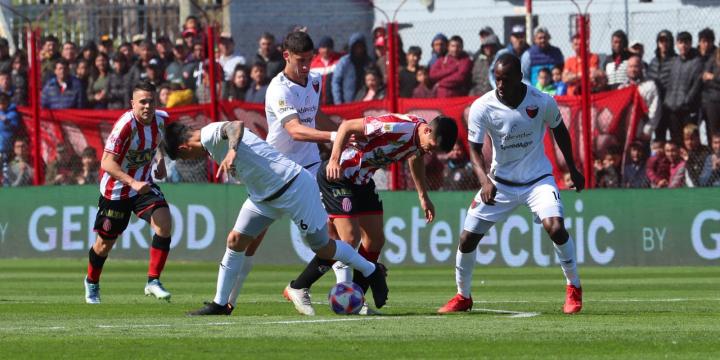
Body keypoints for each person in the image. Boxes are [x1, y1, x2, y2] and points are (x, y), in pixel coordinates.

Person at [163, 120, 388, 315]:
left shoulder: (210, 134)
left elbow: (235, 126)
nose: (192, 160)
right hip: (262, 198)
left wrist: (232, 150)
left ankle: (371, 270)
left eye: (186, 157)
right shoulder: (209, 144)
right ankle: (220, 304)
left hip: (293, 188)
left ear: (183, 149)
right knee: (235, 240)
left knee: (322, 247)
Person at [437, 53, 585, 315]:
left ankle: (573, 287)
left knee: (556, 227)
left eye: (506, 79)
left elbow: (559, 129)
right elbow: (473, 149)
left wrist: (573, 168)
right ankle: (463, 296)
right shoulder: (482, 106)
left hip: (538, 180)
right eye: (497, 79)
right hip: (500, 182)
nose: (501, 84)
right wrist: (484, 180)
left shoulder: (541, 101)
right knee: (466, 238)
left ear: (519, 77)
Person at [286, 113, 458, 316]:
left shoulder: (419, 141)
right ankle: (298, 286)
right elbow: (347, 124)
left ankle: (356, 298)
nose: (430, 151)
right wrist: (333, 160)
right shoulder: (397, 127)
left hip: (362, 180)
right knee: (349, 240)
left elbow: (415, 158)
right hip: (340, 175)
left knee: (375, 240)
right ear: (427, 130)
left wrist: (423, 195)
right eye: (432, 145)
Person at [223, 31, 340, 314]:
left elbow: (314, 117)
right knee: (246, 239)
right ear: (286, 56)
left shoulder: (314, 81)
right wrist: (335, 135)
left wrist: (344, 129)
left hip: (310, 168)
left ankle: (341, 294)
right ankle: (228, 301)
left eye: (309, 60)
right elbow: (295, 130)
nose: (306, 66)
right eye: (301, 60)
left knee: (334, 229)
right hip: (277, 171)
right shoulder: (278, 88)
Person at [83, 81, 173, 304]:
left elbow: (159, 140)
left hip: (143, 186)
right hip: (116, 191)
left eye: (151, 101)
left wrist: (161, 160)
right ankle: (92, 282)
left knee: (164, 223)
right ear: (133, 104)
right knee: (104, 245)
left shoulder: (161, 120)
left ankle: (153, 281)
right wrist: (132, 182)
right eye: (142, 102)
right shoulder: (125, 126)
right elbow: (106, 163)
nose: (147, 106)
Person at [664, 31, 703, 143]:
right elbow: (670, 84)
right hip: (672, 109)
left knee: (690, 139)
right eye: (680, 42)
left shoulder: (697, 62)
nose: (683, 46)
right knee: (676, 140)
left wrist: (686, 101)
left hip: (687, 109)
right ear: (676, 44)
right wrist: (668, 102)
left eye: (686, 42)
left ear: (690, 44)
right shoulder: (675, 61)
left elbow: (696, 85)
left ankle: (693, 161)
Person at [621, 55, 661, 140]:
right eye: (630, 67)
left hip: (642, 132)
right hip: (624, 132)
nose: (633, 70)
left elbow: (655, 110)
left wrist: (647, 130)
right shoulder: (621, 88)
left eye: (636, 66)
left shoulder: (650, 86)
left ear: (641, 68)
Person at [332, 33, 370, 104]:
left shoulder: (369, 62)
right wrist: (338, 102)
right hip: (347, 104)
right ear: (352, 48)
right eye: (356, 47)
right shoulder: (344, 62)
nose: (358, 50)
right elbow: (336, 82)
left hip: (365, 103)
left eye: (360, 47)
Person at [309, 36, 341, 104]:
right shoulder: (312, 64)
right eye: (323, 47)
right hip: (317, 103)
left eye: (329, 47)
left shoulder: (339, 62)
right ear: (319, 49)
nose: (326, 50)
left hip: (334, 102)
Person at [0, 92, 19, 160]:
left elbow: (15, 127)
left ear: (7, 103)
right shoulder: (0, 112)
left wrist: (7, 122)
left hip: (7, 147)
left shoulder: (13, 114)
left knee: (5, 166)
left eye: (2, 104)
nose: (1, 106)